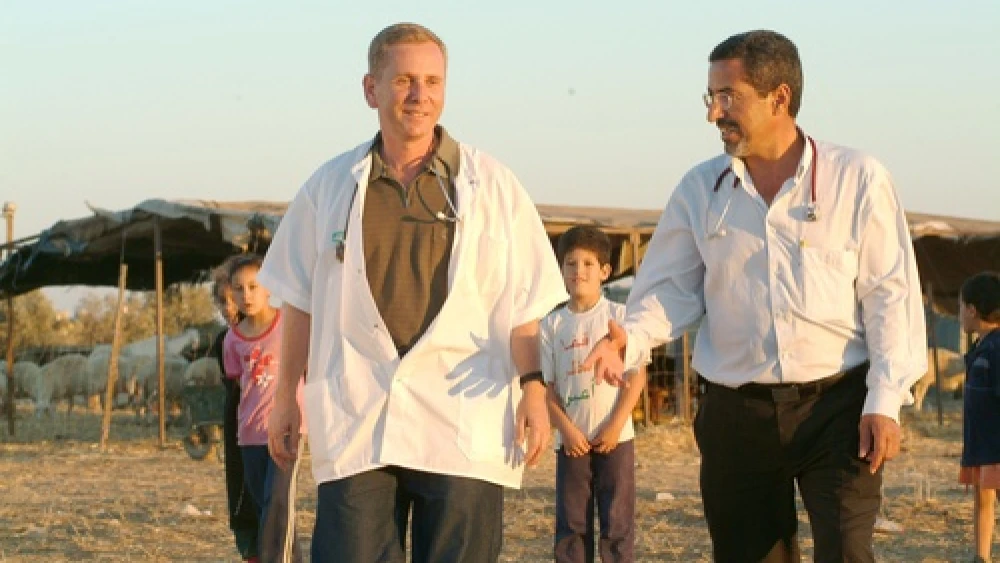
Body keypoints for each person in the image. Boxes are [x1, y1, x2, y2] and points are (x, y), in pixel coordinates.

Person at [584, 30, 927, 562]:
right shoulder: (700, 190)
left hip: (838, 410)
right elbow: (670, 291)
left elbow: (890, 297)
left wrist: (884, 402)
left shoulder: (857, 179)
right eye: (711, 98)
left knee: (847, 552)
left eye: (728, 97)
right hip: (735, 416)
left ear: (779, 97)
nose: (714, 114)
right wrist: (628, 340)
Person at [256, 22, 567, 563]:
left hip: (464, 412)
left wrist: (534, 392)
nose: (420, 96)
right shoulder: (329, 188)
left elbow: (524, 305)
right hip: (359, 413)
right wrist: (287, 396)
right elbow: (300, 300)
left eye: (432, 81)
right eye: (403, 80)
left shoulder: (493, 186)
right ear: (371, 90)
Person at [541, 226, 646, 563]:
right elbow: (548, 388)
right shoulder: (552, 325)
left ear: (605, 271)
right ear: (561, 271)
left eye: (588, 264)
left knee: (617, 522)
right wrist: (567, 430)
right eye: (571, 264)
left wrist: (615, 426)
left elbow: (637, 375)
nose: (579, 271)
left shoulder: (619, 317)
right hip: (572, 443)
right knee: (572, 524)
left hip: (616, 440)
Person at [223, 254, 303, 559]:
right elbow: (237, 383)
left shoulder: (290, 324)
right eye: (239, 289)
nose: (247, 295)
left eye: (254, 287)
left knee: (277, 504)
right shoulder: (232, 340)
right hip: (249, 435)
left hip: (285, 430)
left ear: (269, 286)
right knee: (268, 511)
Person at [212, 258, 260, 562]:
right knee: (240, 492)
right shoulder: (224, 341)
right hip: (237, 423)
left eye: (235, 299)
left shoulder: (267, 334)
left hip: (265, 425)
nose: (230, 307)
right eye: (223, 300)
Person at [957, 272, 1000, 563]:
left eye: (961, 307)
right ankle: (980, 557)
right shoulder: (979, 348)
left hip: (996, 443)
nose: (959, 314)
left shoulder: (997, 348)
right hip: (981, 443)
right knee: (982, 498)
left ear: (972, 309)